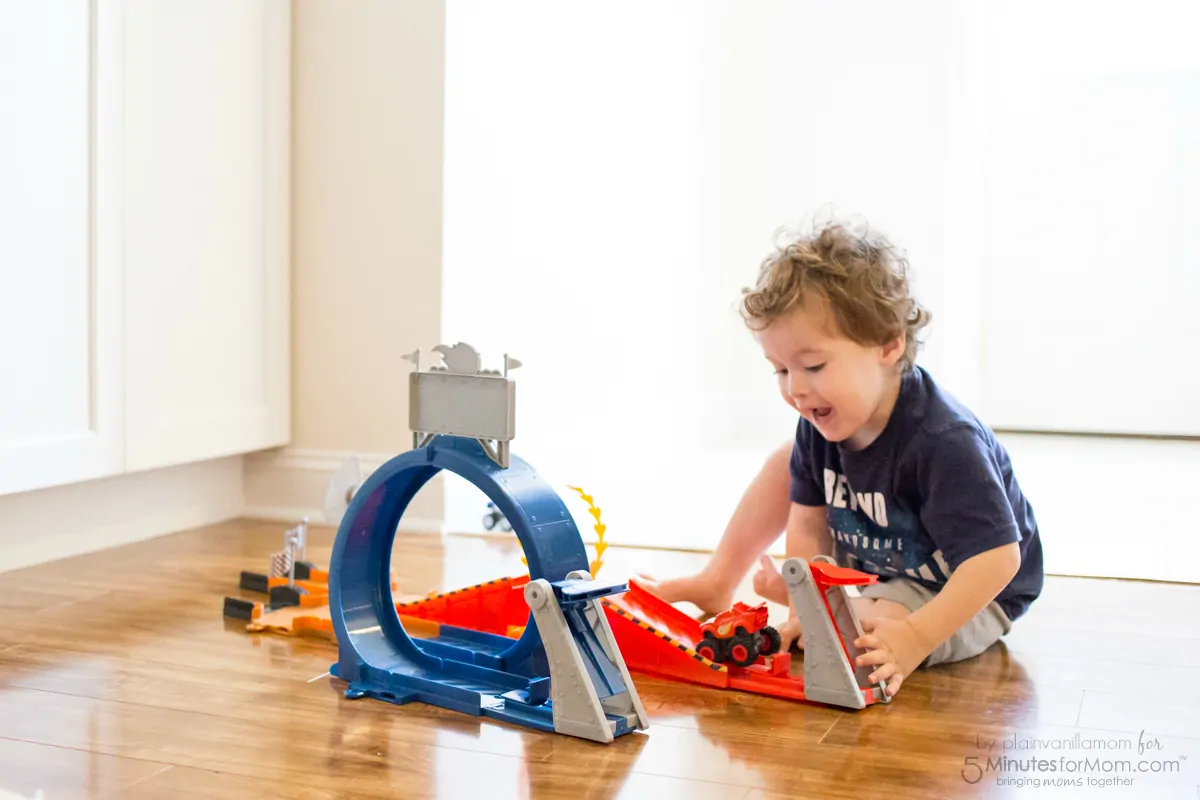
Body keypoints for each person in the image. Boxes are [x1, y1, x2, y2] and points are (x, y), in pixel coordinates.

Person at [639, 216, 1044, 697]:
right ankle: (717, 579)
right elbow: (807, 525)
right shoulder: (822, 423)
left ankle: (858, 615)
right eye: (780, 370)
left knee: (863, 637)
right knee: (786, 460)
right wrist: (804, 608)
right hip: (882, 559)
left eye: (812, 365)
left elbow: (998, 560)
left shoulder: (945, 441)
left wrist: (914, 636)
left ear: (888, 344)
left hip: (963, 592)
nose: (795, 389)